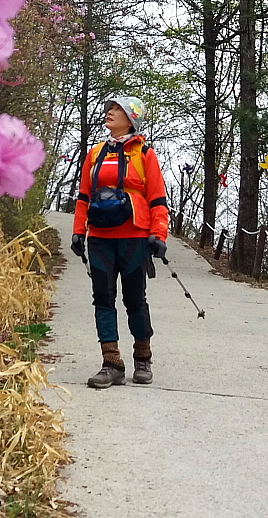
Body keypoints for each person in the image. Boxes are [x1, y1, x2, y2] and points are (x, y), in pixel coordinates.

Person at [71, 96, 169, 388]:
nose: (109, 112)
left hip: (134, 236)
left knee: (134, 299)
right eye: (109, 109)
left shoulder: (145, 153)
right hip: (100, 237)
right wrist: (78, 231)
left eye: (117, 109)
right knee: (102, 297)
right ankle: (111, 362)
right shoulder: (95, 153)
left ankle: (142, 356)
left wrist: (159, 234)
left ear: (131, 119)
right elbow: (84, 195)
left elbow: (157, 198)